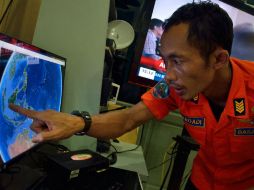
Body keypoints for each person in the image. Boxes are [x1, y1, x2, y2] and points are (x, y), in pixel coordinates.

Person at [9, 1, 254, 190]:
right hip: (201, 181)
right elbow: (128, 119)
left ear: (219, 59)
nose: (167, 75)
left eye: (178, 61)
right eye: (165, 61)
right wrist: (79, 123)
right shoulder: (176, 88)